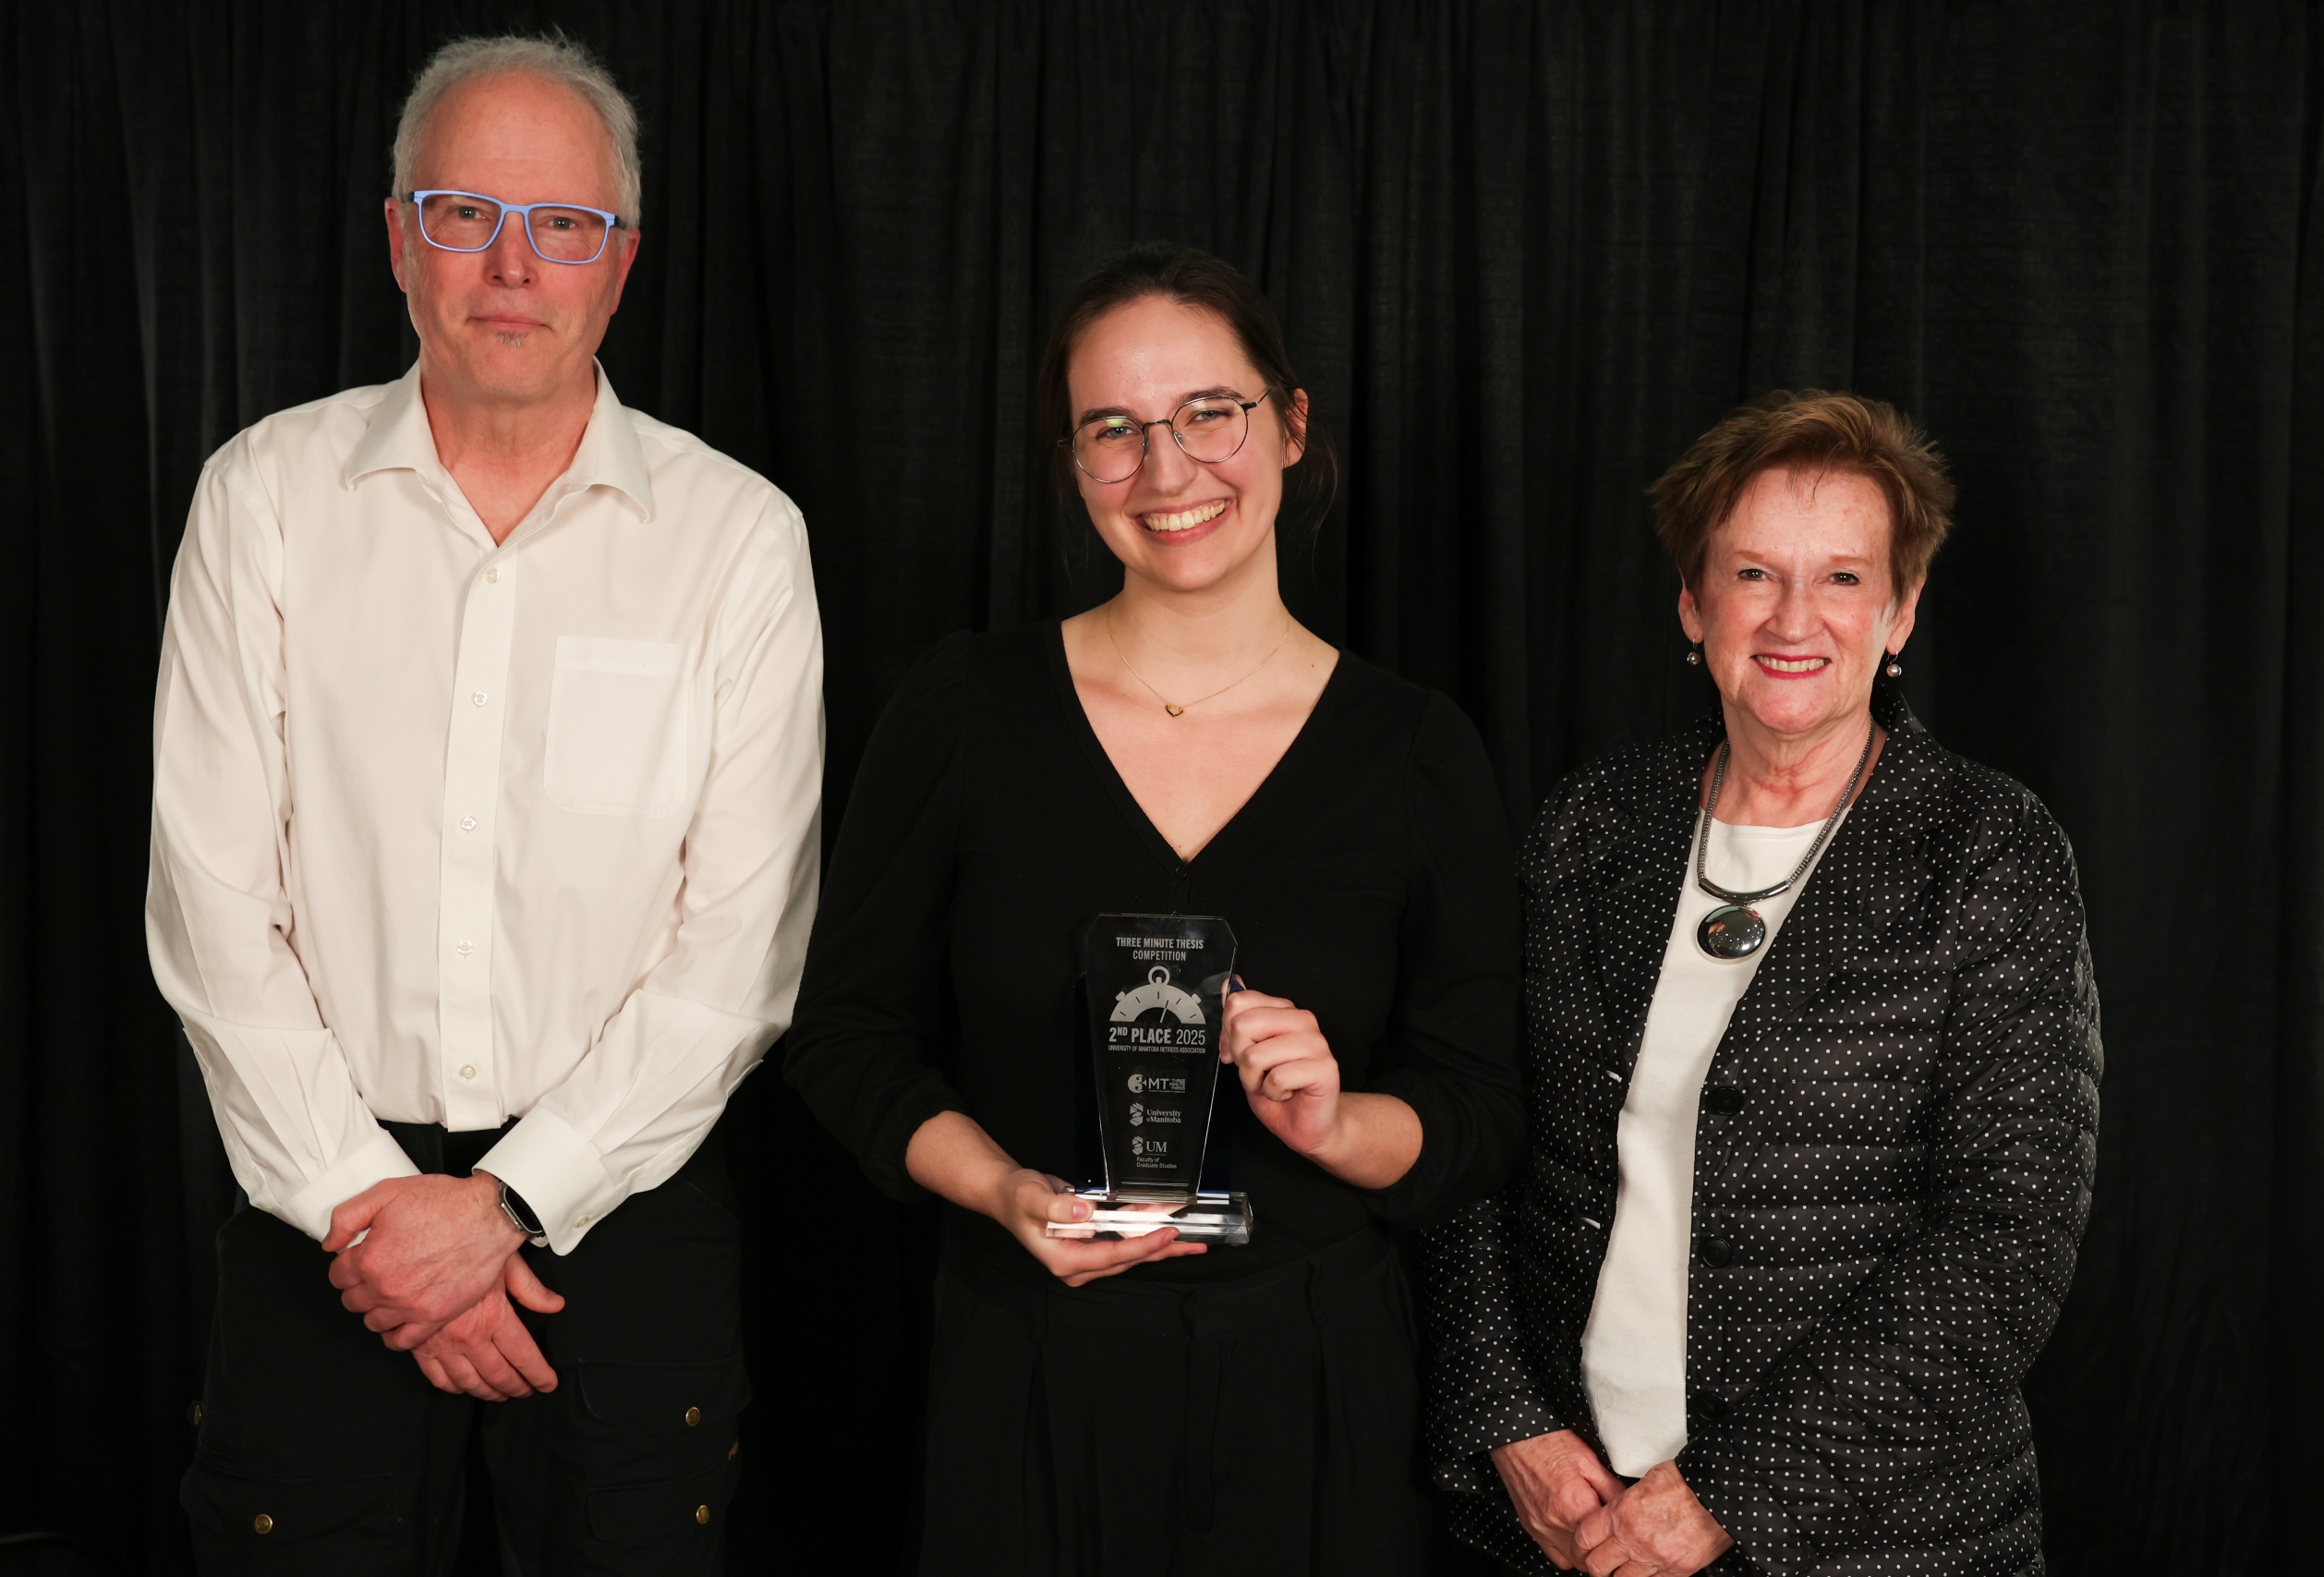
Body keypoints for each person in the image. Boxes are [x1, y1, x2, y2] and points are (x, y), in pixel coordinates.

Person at [146, 35, 822, 1572]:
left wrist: (505, 1204)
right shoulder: (260, 501)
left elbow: (741, 951)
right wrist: (374, 1213)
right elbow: (210, 908)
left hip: (623, 1210)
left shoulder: (737, 542)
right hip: (319, 1203)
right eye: (463, 212)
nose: (512, 266)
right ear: (399, 239)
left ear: (622, 261)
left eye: (562, 224)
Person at [784, 241, 1524, 1574]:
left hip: (1319, 1388)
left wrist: (1341, 1118)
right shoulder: (963, 709)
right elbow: (845, 1034)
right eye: (1114, 430)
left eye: (1209, 414)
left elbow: (1482, 1101)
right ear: (1073, 463)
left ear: (1291, 425)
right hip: (1024, 1375)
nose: (1167, 471)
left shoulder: (1419, 749)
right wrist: (999, 1185)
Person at [1422, 392, 2100, 1576]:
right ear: (1694, 604)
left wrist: (1726, 1496)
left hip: (1874, 1539)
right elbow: (1473, 1126)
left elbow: (2007, 1237)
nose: (1795, 617)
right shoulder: (1593, 824)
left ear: (1899, 611)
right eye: (1752, 575)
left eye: (1842, 578)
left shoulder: (1988, 848)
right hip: (1561, 1524)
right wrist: (1507, 1422)